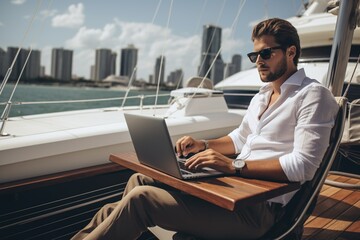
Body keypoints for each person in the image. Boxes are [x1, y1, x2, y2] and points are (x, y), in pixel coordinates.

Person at [71, 18, 339, 240]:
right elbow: (240, 138)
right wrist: (204, 145)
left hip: (259, 211)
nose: (258, 60)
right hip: (233, 191)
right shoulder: (262, 95)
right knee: (138, 181)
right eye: (254, 54)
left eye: (266, 53)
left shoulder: (313, 95)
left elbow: (304, 166)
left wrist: (233, 166)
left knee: (141, 200)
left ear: (291, 52)